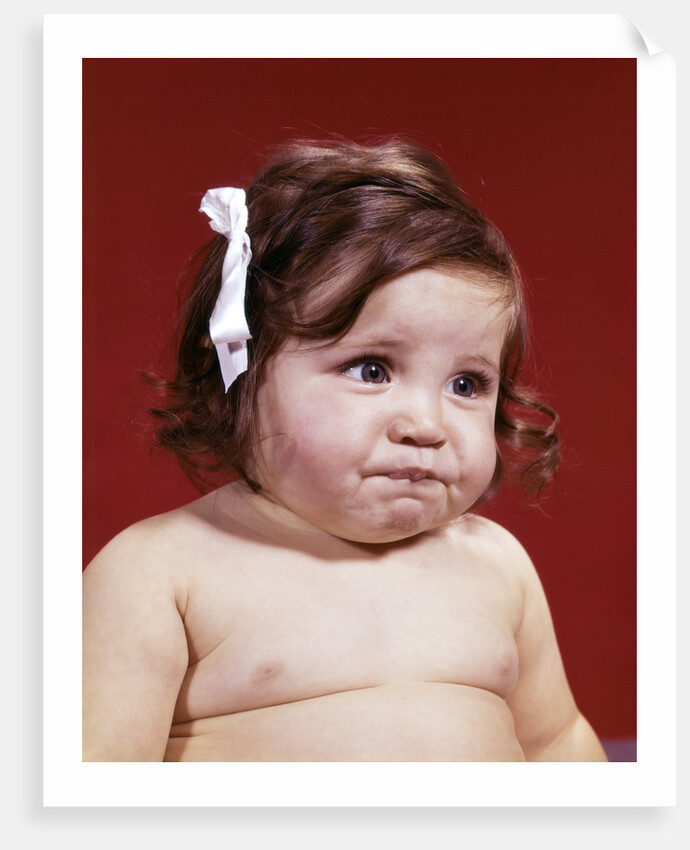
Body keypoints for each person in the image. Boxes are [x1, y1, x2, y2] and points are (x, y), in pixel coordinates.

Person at [82, 137, 607, 762]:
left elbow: (556, 746)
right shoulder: (161, 571)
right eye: (371, 369)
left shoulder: (498, 566)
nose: (426, 423)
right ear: (236, 370)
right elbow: (93, 790)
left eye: (467, 384)